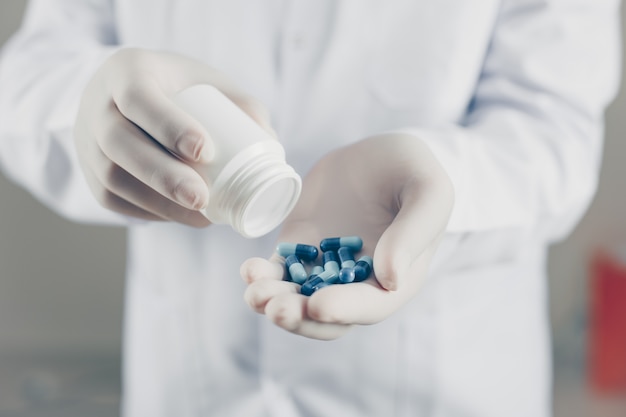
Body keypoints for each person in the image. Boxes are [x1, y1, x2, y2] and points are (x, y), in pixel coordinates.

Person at [0, 1, 620, 416]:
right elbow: (28, 76)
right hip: (189, 388)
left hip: (446, 389)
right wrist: (88, 105)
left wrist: (444, 184)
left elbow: (552, 130)